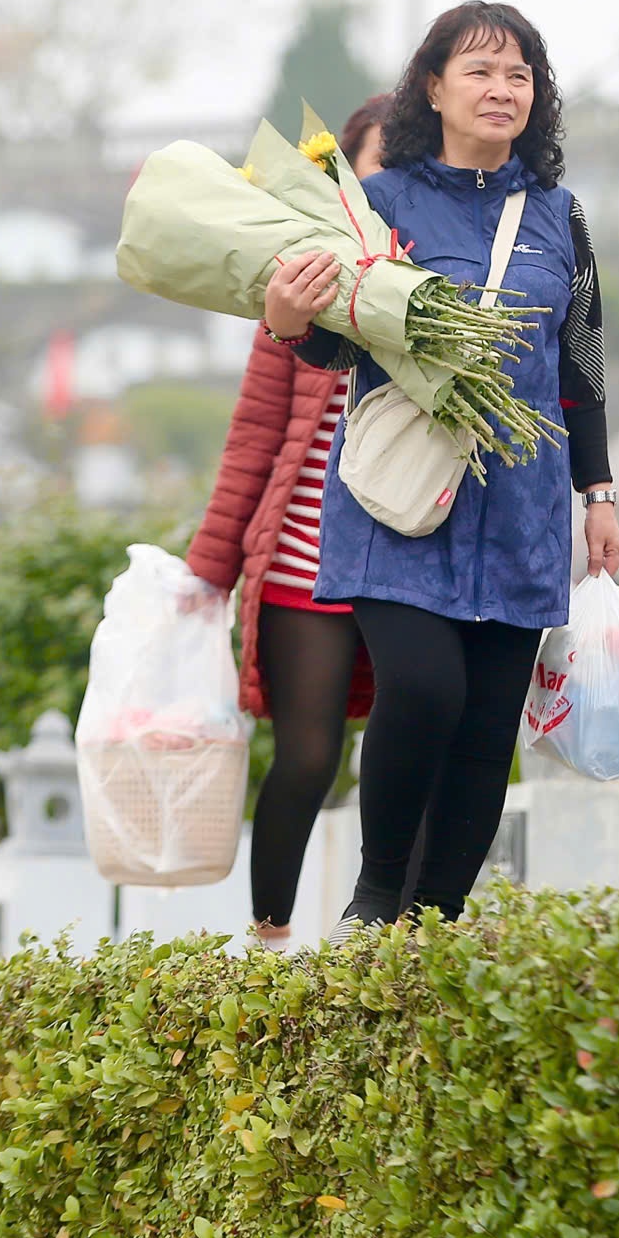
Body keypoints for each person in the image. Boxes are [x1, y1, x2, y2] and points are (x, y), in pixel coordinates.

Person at [270, 1, 619, 938]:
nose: (503, 90)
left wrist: (599, 493)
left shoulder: (558, 215)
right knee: (424, 689)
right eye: (480, 71)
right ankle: (376, 896)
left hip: (523, 506)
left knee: (484, 731)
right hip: (402, 502)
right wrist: (287, 317)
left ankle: (435, 928)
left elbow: (579, 363)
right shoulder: (380, 204)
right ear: (432, 87)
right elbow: (337, 353)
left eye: (520, 75)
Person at [186, 97, 391, 948]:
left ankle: (391, 934)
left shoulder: (453, 270)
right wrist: (208, 569)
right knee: (308, 757)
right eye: (382, 161)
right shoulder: (300, 276)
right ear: (342, 176)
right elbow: (254, 437)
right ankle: (270, 945)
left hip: (409, 560)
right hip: (305, 560)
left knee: (402, 754)